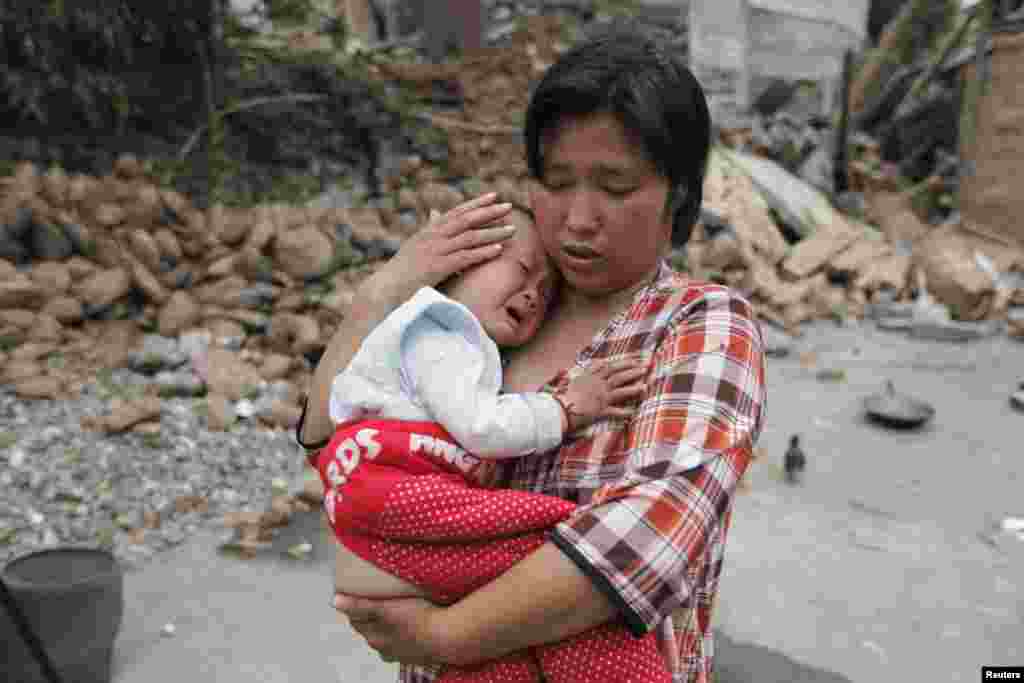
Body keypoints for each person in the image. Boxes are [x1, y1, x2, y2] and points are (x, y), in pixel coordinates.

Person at [298, 23, 767, 683]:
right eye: (556, 180)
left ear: (679, 194)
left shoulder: (700, 326)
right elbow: (331, 441)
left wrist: (442, 633)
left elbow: (644, 539)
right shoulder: (494, 309)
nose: (578, 217)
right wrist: (383, 292)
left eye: (614, 186)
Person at [310, 206, 667, 681]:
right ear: (458, 264)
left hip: (388, 511)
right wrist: (567, 408)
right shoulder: (440, 329)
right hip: (391, 494)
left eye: (545, 293)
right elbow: (481, 426)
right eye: (522, 270)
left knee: (500, 645)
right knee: (547, 565)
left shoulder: (468, 351)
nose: (533, 293)